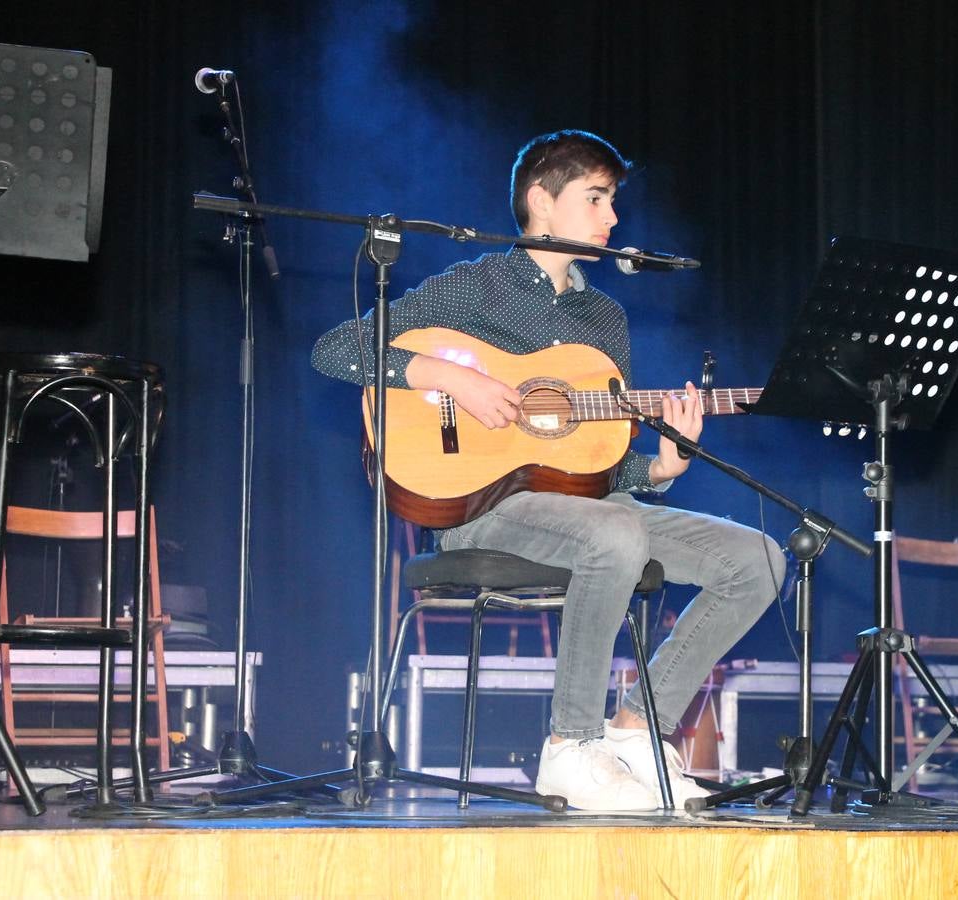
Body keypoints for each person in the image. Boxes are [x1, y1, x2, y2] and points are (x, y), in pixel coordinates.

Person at [312, 130, 785, 811]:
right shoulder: (477, 287)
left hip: (588, 511)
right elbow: (336, 349)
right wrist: (452, 378)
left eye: (613, 201)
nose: (612, 217)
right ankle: (569, 747)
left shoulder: (604, 317)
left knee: (759, 559)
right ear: (540, 200)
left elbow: (595, 465)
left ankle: (636, 732)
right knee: (614, 535)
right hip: (479, 507)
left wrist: (661, 467)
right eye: (595, 198)